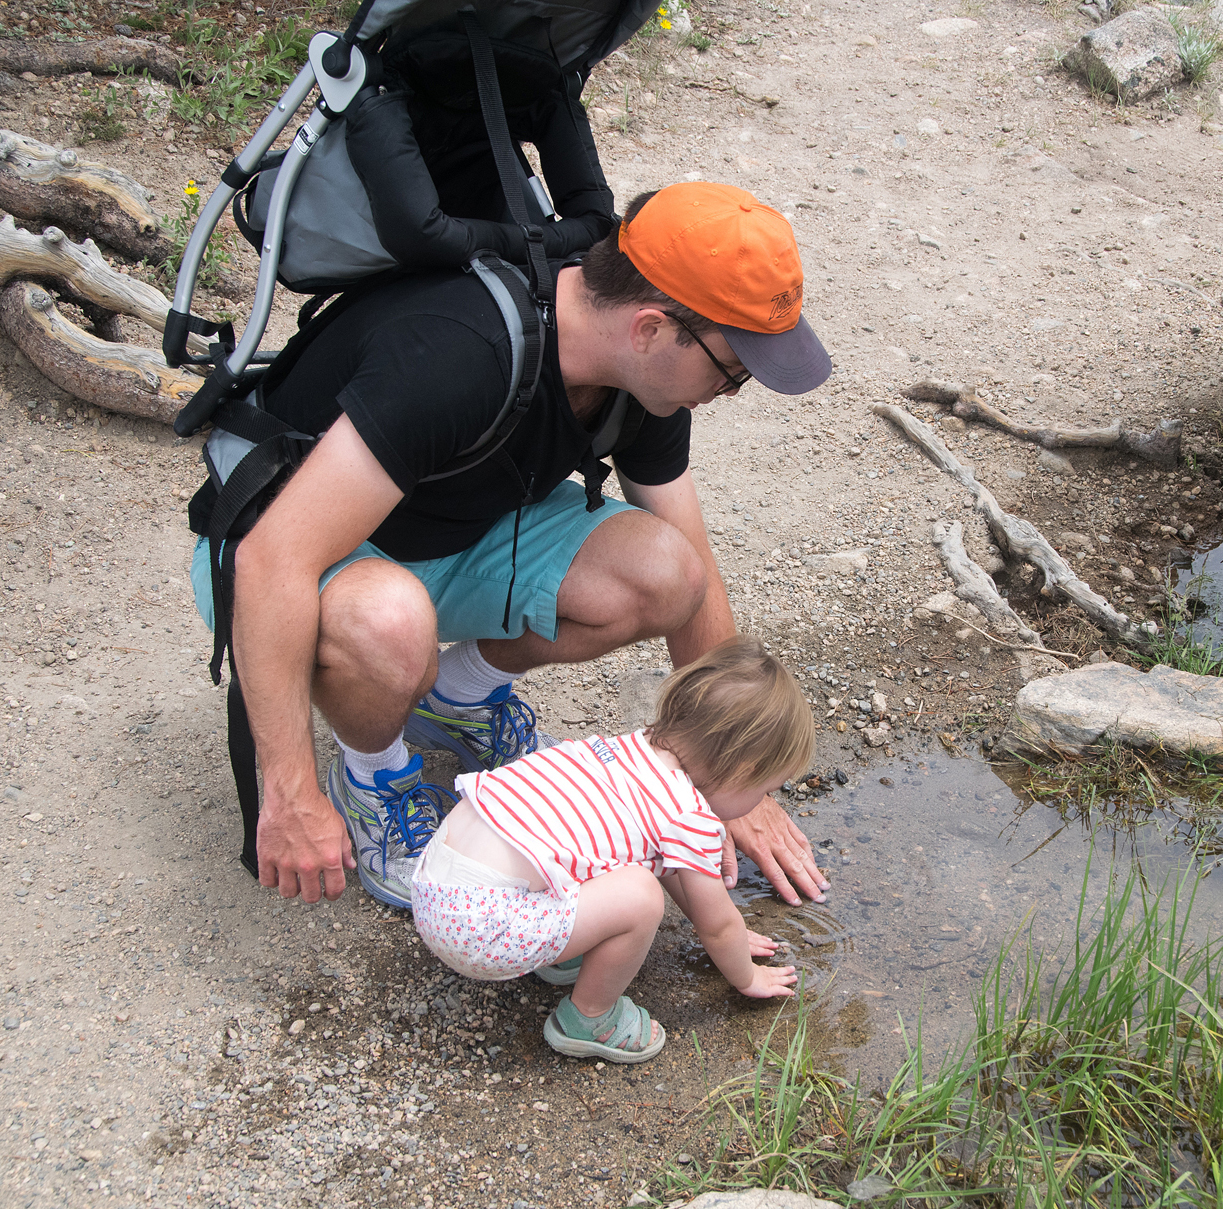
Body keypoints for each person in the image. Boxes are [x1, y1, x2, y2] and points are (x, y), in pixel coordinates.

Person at [188, 182, 833, 911]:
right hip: (291, 556)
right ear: (651, 328)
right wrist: (291, 792)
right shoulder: (463, 352)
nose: (732, 390)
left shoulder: (641, 379)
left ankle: (454, 700)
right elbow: (271, 559)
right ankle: (372, 774)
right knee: (392, 626)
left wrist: (734, 771)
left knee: (666, 572)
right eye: (733, 370)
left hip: (453, 534)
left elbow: (692, 562)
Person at [412, 636, 811, 1062]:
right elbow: (717, 925)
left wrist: (724, 932)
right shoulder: (689, 815)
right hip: (479, 929)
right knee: (640, 895)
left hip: (435, 882)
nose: (765, 799)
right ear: (744, 771)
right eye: (767, 789)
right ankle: (589, 1019)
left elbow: (679, 874)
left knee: (604, 848)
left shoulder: (627, 750)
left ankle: (563, 943)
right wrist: (745, 973)